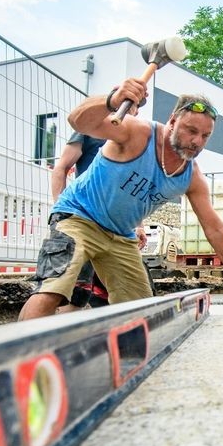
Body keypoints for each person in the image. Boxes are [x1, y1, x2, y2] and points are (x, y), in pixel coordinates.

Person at [19, 82, 223, 320]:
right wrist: (111, 101)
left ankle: (131, 357)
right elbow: (78, 120)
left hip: (120, 235)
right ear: (172, 121)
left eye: (205, 136)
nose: (197, 141)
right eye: (191, 131)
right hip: (79, 217)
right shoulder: (137, 132)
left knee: (142, 309)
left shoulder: (191, 176)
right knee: (52, 289)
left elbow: (214, 226)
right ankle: (17, 358)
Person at [50, 131, 145, 311]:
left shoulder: (135, 137)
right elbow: (61, 167)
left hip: (118, 226)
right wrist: (62, 211)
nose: (135, 109)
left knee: (129, 292)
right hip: (85, 219)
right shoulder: (89, 132)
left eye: (138, 106)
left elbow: (133, 187)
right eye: (132, 103)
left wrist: (139, 224)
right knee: (75, 290)